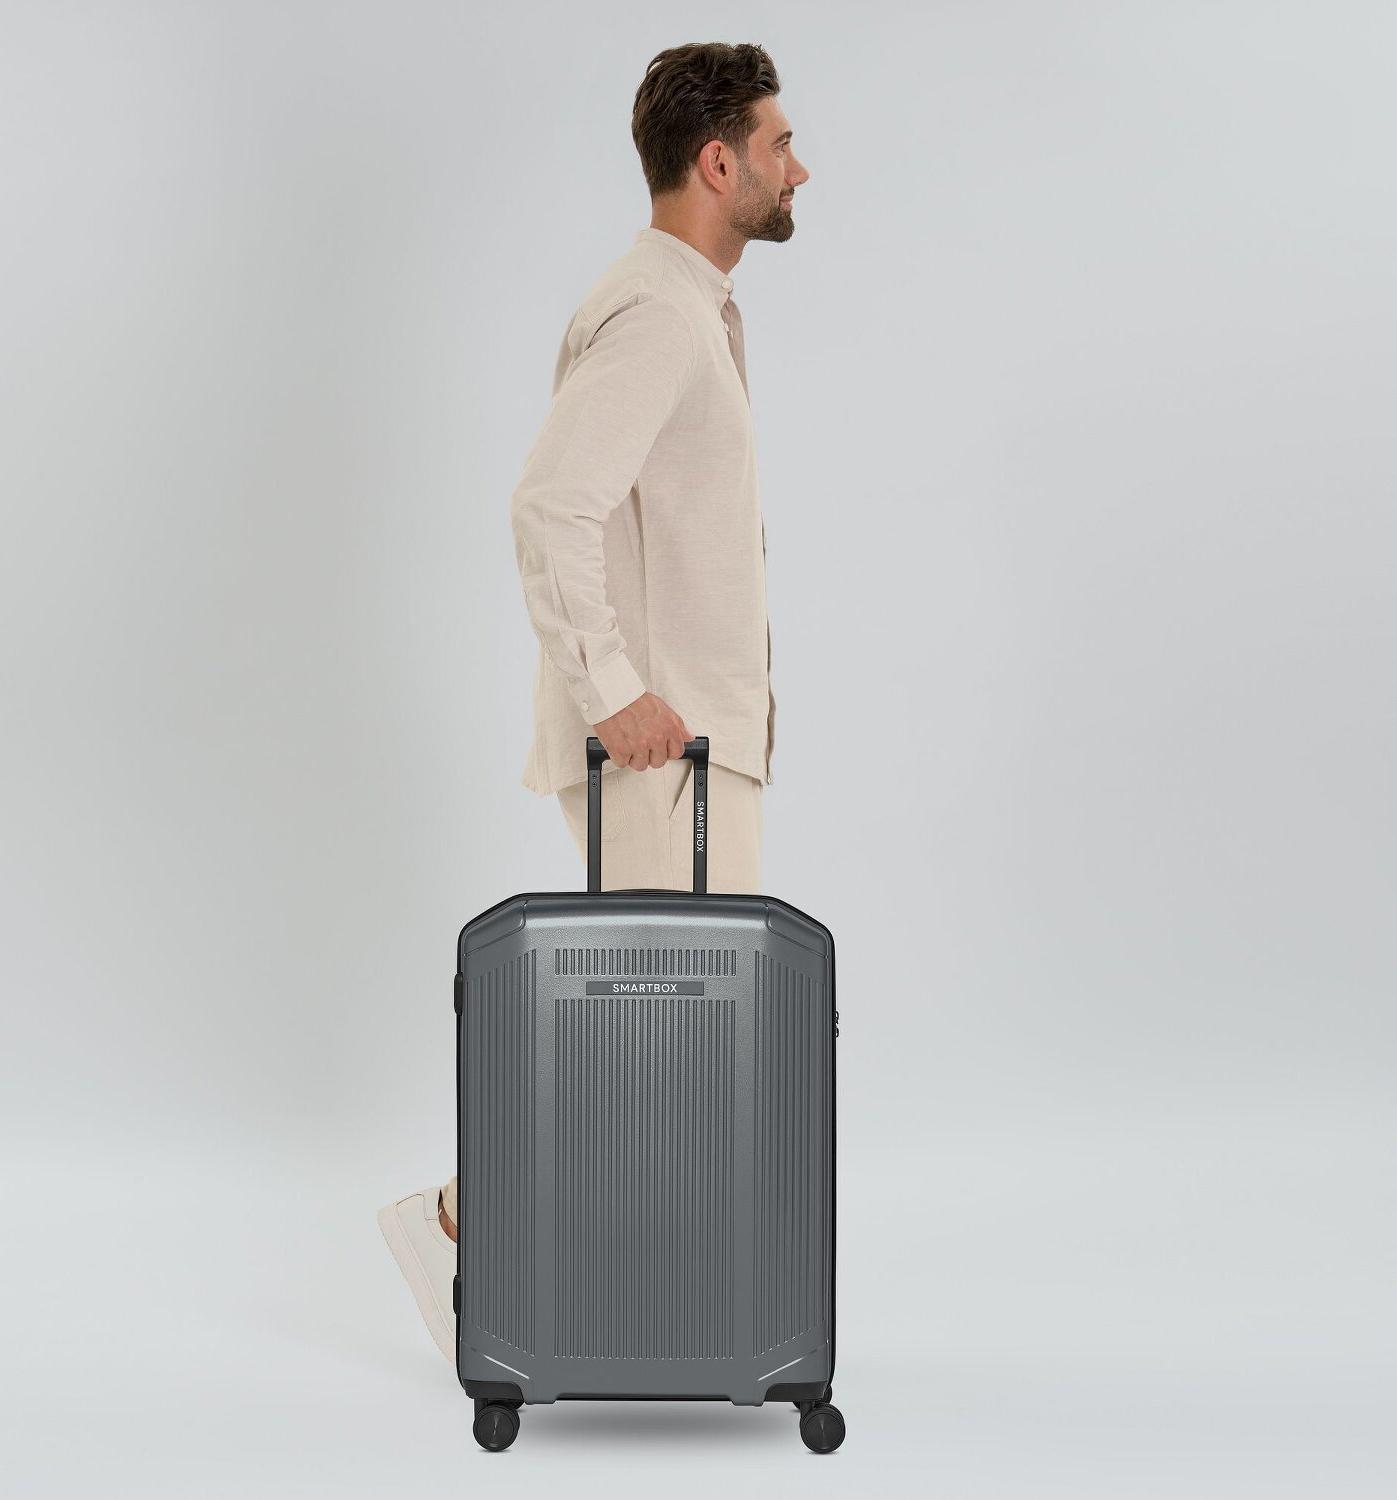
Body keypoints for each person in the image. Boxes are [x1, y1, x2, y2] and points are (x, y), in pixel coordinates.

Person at [376, 40, 809, 1365]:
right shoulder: (657, 315)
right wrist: (617, 693)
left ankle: (606, 1290)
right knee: (649, 1046)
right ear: (718, 162)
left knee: (667, 1051)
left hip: (693, 753)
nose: (800, 168)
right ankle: (458, 1226)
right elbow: (550, 506)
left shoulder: (690, 312)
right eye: (780, 144)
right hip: (663, 760)